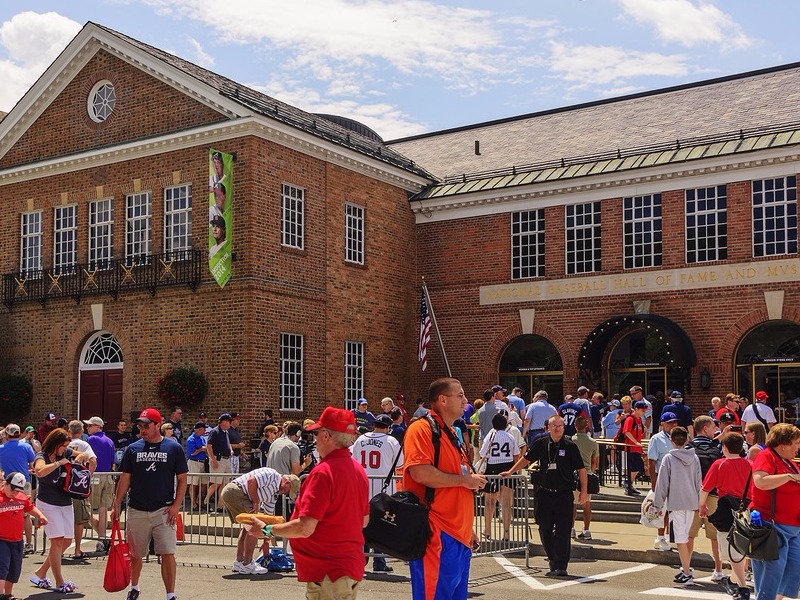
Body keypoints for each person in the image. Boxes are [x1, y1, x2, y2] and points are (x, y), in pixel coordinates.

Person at [245, 407, 369, 600]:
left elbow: (305, 527)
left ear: (327, 436)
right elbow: (364, 520)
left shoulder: (323, 473)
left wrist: (268, 530)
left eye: (317, 433)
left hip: (328, 572)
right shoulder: (358, 470)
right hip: (347, 567)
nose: (315, 438)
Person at [402, 378, 485, 600]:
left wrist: (468, 529)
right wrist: (465, 481)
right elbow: (420, 473)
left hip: (459, 535)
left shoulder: (450, 432)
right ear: (442, 399)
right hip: (436, 533)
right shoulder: (421, 429)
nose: (466, 401)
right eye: (460, 395)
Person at [110, 407, 188, 600]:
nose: (142, 429)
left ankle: (170, 594)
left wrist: (176, 505)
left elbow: (182, 479)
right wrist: (116, 504)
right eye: (140, 426)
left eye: (147, 425)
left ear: (158, 425)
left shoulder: (173, 448)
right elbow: (125, 478)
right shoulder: (133, 449)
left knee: (167, 553)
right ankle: (134, 587)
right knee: (136, 554)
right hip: (137, 509)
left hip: (164, 509)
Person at [501, 414, 586, 577]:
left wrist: (583, 491)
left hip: (564, 494)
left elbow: (581, 470)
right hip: (545, 493)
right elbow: (526, 459)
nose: (558, 429)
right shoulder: (541, 442)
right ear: (548, 427)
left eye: (561, 426)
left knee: (563, 530)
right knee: (545, 528)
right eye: (555, 426)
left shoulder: (570, 445)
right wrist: (511, 471)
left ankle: (561, 565)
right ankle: (552, 559)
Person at [30, 428, 92, 593]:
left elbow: (87, 455)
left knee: (66, 541)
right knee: (57, 540)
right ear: (55, 444)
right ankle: (59, 581)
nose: (66, 449)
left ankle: (41, 572)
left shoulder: (67, 451)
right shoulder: (41, 456)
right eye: (63, 446)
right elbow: (39, 471)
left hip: (65, 502)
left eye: (67, 446)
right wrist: (59, 463)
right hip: (48, 503)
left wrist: (80, 457)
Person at [748, 423, 800, 600]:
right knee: (772, 571)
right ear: (783, 444)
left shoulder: (789, 462)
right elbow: (760, 481)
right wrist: (789, 477)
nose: (798, 447)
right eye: (796, 443)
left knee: (792, 571)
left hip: (792, 525)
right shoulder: (766, 456)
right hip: (771, 525)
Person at [699, 432, 752, 600]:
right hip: (747, 508)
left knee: (730, 549)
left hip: (726, 509)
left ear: (725, 447)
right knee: (742, 547)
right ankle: (734, 580)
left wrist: (702, 505)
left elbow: (705, 488)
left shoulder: (719, 464)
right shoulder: (750, 465)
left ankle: (741, 586)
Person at [220, 467, 300, 574]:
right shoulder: (272, 475)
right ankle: (247, 564)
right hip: (236, 491)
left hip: (234, 493)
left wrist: (266, 541)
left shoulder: (274, 494)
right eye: (288, 490)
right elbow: (251, 481)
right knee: (254, 528)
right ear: (287, 482)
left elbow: (268, 517)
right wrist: (255, 502)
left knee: (247, 528)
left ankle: (240, 562)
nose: (285, 494)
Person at [351, 414, 402, 572]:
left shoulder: (360, 440)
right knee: (381, 526)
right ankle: (379, 562)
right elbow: (400, 462)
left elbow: (353, 460)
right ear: (388, 427)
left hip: (363, 488)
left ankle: (362, 559)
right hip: (383, 490)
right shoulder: (391, 440)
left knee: (363, 525)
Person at [652, 427, 702, 586]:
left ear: (671, 441)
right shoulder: (694, 458)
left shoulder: (668, 458)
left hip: (676, 502)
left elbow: (662, 484)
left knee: (680, 539)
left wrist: (657, 504)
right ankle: (686, 569)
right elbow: (698, 482)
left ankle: (687, 572)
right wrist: (700, 502)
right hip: (692, 501)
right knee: (685, 537)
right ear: (687, 439)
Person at [687, 415, 724, 578]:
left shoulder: (688, 447)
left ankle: (686, 569)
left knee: (689, 535)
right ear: (705, 429)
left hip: (693, 494)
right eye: (712, 427)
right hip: (714, 494)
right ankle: (718, 569)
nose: (715, 429)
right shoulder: (718, 448)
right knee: (715, 536)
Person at [0, 472, 47, 600]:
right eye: (12, 490)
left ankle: (8, 594)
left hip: (17, 540)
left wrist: (40, 516)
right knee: (2, 568)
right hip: (2, 540)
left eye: (17, 491)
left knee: (14, 570)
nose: (14, 493)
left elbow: (30, 507)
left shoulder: (21, 498)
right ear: (6, 483)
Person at [480, 412, 520, 541]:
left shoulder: (491, 435)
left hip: (492, 469)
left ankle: (487, 530)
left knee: (489, 502)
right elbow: (516, 455)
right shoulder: (510, 436)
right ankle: (506, 533)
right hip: (508, 468)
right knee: (506, 503)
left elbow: (482, 453)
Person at [0, 424, 36, 552]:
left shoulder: (1, 448)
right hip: (23, 482)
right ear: (19, 433)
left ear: (7, 434)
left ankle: (9, 540)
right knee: (25, 513)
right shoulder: (26, 446)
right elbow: (32, 464)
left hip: (8, 484)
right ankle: (28, 543)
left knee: (7, 512)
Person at [647, 412, 679, 551]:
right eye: (669, 422)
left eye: (674, 422)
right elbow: (651, 461)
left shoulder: (679, 437)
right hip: (661, 477)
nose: (673, 425)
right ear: (662, 423)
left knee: (671, 510)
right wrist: (654, 482)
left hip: (676, 478)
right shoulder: (656, 439)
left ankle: (667, 536)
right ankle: (660, 537)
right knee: (661, 509)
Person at [67, 420, 98, 560]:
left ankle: (58, 548)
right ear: (81, 431)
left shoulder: (64, 444)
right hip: (78, 486)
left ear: (69, 430)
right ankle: (77, 549)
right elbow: (93, 461)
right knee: (79, 520)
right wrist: (88, 476)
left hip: (63, 485)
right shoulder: (84, 445)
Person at [85, 416, 115, 551]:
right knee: (103, 509)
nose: (87, 428)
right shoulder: (109, 441)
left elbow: (88, 458)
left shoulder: (91, 440)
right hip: (108, 476)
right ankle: (102, 539)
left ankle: (101, 536)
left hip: (95, 475)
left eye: (90, 425)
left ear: (97, 426)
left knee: (87, 507)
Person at [571, 415, 599, 540]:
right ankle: (586, 529)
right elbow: (595, 462)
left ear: (575, 426)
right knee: (587, 504)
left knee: (572, 504)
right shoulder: (593, 442)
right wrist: (591, 472)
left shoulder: (571, 440)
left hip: (573, 474)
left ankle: (571, 528)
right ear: (586, 426)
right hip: (587, 474)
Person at [204, 414, 234, 511]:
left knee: (225, 483)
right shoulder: (215, 432)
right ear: (224, 422)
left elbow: (228, 443)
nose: (230, 423)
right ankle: (206, 501)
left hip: (226, 459)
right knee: (217, 483)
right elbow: (209, 446)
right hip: (218, 459)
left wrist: (231, 450)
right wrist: (213, 460)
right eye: (229, 421)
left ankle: (220, 505)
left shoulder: (226, 432)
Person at [621, 400, 648, 496]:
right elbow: (627, 432)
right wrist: (636, 442)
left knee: (637, 466)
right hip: (631, 447)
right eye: (642, 410)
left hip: (636, 447)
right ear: (636, 409)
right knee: (637, 465)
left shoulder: (639, 420)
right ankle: (628, 483)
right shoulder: (630, 419)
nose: (644, 412)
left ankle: (629, 483)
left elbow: (639, 433)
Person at [186, 421, 208, 509]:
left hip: (203, 462)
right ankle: (193, 504)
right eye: (203, 429)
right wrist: (201, 449)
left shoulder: (202, 438)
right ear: (197, 430)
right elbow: (192, 453)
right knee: (193, 484)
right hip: (194, 462)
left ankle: (199, 500)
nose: (204, 431)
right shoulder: (191, 439)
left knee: (204, 483)